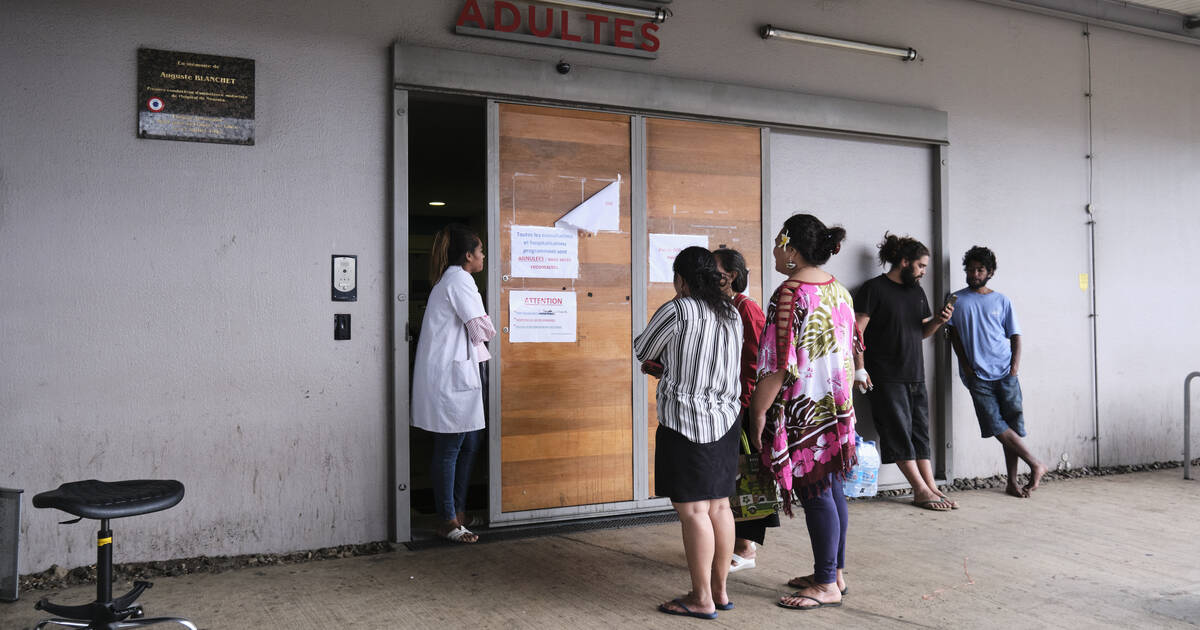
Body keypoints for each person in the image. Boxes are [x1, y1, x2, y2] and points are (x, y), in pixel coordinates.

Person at [749, 213, 858, 610]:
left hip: (804, 410)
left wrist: (758, 412)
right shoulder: (839, 291)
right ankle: (834, 573)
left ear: (792, 249)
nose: (776, 251)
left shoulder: (789, 294)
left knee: (815, 492)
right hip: (837, 407)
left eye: (779, 244)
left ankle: (826, 583)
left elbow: (779, 363)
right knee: (832, 489)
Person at [634, 246, 743, 620]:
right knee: (719, 506)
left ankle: (700, 599)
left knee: (694, 511)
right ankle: (720, 591)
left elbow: (643, 349)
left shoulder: (677, 308)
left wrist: (669, 365)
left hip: (685, 422)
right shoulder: (731, 311)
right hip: (727, 421)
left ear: (681, 278)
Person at [853, 233, 956, 511]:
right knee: (897, 434)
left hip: (915, 374)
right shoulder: (873, 289)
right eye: (921, 266)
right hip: (885, 376)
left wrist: (937, 320)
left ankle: (931, 487)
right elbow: (856, 332)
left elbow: (920, 332)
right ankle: (919, 489)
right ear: (904, 261)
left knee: (920, 434)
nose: (923, 272)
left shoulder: (916, 292)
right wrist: (859, 369)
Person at [411, 223, 494, 543]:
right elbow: (481, 330)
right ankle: (447, 519)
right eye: (481, 251)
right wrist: (491, 324)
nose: (484, 257)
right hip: (452, 378)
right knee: (451, 447)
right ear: (468, 255)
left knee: (469, 443)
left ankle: (457, 512)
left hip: (460, 373)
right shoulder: (460, 280)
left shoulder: (454, 280)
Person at [947, 246, 1047, 497]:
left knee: (1009, 428)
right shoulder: (955, 299)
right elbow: (953, 335)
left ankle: (1012, 482)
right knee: (996, 425)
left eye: (980, 269)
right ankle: (1035, 464)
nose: (974, 274)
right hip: (977, 376)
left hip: (1005, 372)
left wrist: (1014, 368)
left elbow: (1015, 335)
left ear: (990, 272)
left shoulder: (1002, 300)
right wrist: (966, 366)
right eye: (970, 269)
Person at [710, 247, 774, 574]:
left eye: (715, 269)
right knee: (734, 476)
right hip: (726, 404)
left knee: (749, 475)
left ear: (732, 276)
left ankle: (747, 548)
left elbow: (759, 362)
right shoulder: (721, 308)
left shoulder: (746, 309)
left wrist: (747, 405)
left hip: (744, 406)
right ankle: (735, 543)